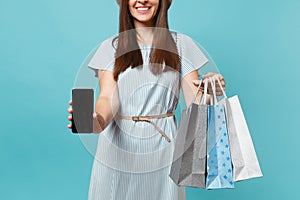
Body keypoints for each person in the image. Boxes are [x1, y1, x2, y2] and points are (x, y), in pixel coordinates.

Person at [67, 0, 226, 199]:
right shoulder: (110, 48)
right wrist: (93, 122)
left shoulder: (182, 45)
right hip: (117, 150)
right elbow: (108, 98)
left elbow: (196, 102)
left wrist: (210, 89)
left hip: (164, 148)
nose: (142, 0)